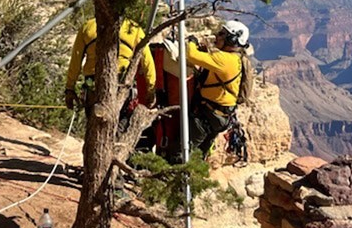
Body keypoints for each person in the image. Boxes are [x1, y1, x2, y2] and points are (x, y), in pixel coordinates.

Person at [167, 20, 249, 164]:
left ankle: (176, 181)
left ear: (232, 39)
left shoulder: (224, 60)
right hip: (220, 116)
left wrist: (192, 41)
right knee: (199, 155)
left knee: (181, 152)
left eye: (222, 34)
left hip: (208, 115)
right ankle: (193, 181)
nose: (217, 36)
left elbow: (191, 54)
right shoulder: (236, 58)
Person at [63, 18, 157, 119]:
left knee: (94, 122)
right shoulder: (133, 28)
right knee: (120, 124)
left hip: (92, 81)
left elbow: (75, 60)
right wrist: (151, 88)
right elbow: (147, 61)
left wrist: (70, 88)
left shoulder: (88, 27)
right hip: (122, 81)